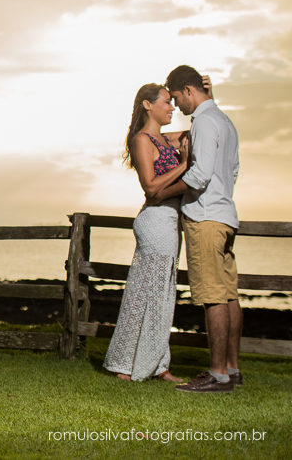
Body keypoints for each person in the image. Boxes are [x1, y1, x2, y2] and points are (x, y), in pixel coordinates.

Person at [150, 65, 241, 393]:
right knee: (229, 295)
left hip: (205, 219)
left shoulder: (203, 120)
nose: (178, 106)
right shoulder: (225, 121)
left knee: (212, 296)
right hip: (226, 215)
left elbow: (200, 174)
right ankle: (232, 368)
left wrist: (163, 193)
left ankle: (217, 374)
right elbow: (232, 169)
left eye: (177, 98)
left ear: (187, 91)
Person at [103, 83, 191, 382]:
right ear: (147, 105)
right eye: (166, 102)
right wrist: (186, 165)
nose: (172, 107)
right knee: (142, 295)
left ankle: (158, 364)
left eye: (172, 102)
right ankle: (122, 365)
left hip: (169, 221)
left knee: (163, 296)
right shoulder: (143, 140)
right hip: (154, 222)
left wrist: (209, 95)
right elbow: (151, 187)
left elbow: (199, 129)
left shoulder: (165, 139)